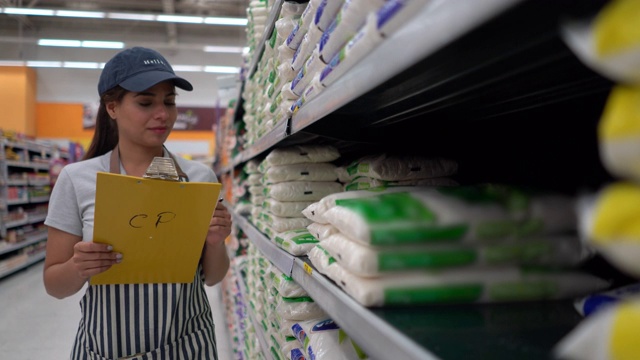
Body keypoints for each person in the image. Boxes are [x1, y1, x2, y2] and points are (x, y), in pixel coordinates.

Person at [43, 46, 231, 359]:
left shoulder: (200, 178)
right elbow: (54, 284)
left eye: (169, 102)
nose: (163, 114)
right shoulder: (77, 179)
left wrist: (215, 242)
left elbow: (213, 277)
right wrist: (78, 267)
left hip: (188, 347)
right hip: (105, 349)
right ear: (112, 107)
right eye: (146, 102)